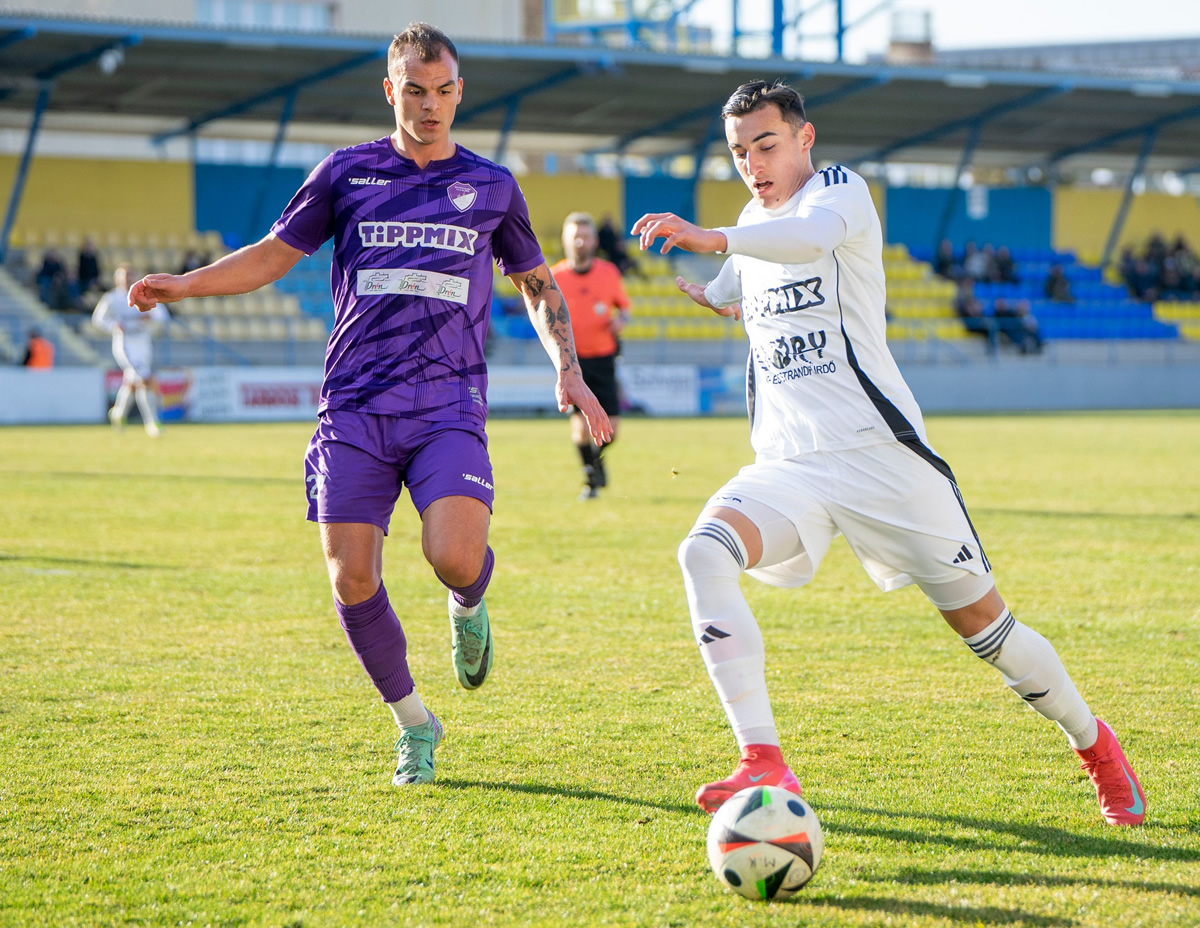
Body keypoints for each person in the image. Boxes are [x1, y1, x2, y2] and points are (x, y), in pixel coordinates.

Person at [631, 79, 1146, 827]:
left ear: (805, 139)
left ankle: (1094, 743)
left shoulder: (841, 193)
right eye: (740, 151)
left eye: (767, 145)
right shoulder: (750, 218)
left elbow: (801, 242)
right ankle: (762, 757)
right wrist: (710, 293)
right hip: (791, 463)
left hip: (884, 457)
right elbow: (736, 281)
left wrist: (713, 238)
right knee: (702, 554)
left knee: (990, 636)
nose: (752, 163)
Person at [130, 23, 611, 787]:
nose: (430, 105)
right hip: (355, 405)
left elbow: (537, 284)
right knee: (351, 578)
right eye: (414, 91)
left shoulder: (492, 186)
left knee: (452, 556)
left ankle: (469, 601)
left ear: (460, 92)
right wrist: (186, 284)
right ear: (391, 91)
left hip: (448, 401)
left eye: (444, 91)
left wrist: (570, 370)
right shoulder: (345, 173)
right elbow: (272, 254)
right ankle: (415, 724)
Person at [551, 212, 631, 499]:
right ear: (565, 240)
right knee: (581, 427)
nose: (580, 241)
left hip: (604, 356)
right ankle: (589, 477)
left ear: (595, 240)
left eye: (585, 235)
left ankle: (596, 462)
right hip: (573, 361)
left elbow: (624, 307)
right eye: (575, 236)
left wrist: (621, 319)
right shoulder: (555, 276)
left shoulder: (609, 272)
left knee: (612, 429)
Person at [94, 264, 167, 436]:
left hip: (143, 344)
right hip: (125, 345)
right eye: (123, 276)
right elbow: (98, 319)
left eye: (130, 275)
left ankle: (118, 413)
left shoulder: (142, 294)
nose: (127, 279)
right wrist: (113, 325)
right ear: (116, 279)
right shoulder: (112, 298)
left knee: (132, 382)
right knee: (145, 379)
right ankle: (152, 423)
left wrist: (151, 316)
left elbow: (162, 315)